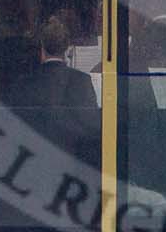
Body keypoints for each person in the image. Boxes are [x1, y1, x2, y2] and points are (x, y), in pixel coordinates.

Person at [6, 17, 101, 168]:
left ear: (41, 47)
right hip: (72, 167)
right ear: (68, 48)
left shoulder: (24, 83)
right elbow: (92, 126)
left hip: (31, 166)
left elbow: (14, 130)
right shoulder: (81, 81)